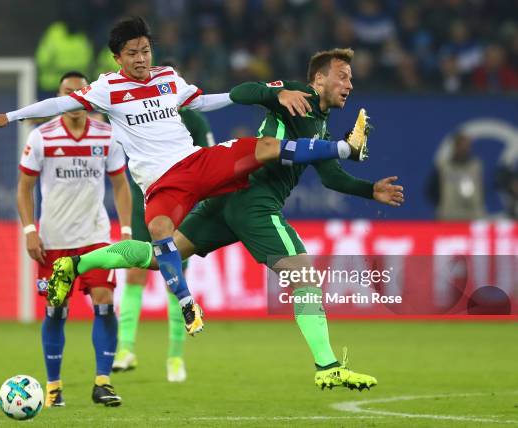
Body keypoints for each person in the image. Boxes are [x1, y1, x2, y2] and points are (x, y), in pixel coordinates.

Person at [0, 16, 368, 337]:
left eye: (145, 51)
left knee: (265, 146)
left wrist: (269, 93)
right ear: (118, 57)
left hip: (196, 163)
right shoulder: (106, 88)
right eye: (132, 53)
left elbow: (204, 100)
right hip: (162, 182)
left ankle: (345, 148)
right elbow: (61, 102)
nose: (141, 59)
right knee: (160, 234)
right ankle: (186, 303)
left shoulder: (167, 77)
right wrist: (12, 116)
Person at [49, 49, 402, 391]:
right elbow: (244, 91)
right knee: (305, 278)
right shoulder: (299, 95)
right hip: (255, 201)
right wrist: (274, 93)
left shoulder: (319, 125)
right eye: (342, 76)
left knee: (158, 257)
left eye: (351, 79)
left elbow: (330, 177)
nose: (349, 85)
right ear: (320, 78)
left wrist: (370, 190)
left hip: (225, 200)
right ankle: (328, 367)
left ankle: (75, 263)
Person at [16, 71, 131, 407]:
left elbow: (121, 186)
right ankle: (53, 388)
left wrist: (124, 232)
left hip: (95, 237)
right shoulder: (41, 137)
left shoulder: (107, 135)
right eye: (67, 93)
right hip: (52, 241)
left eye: (80, 93)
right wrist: (29, 230)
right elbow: (24, 189)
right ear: (58, 97)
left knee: (104, 302)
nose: (74, 99)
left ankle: (103, 383)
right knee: (56, 310)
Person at [113, 60, 215, 381]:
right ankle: (125, 349)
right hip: (143, 199)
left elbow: (210, 158)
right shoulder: (136, 109)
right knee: (134, 275)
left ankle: (175, 358)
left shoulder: (194, 121)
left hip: (176, 205)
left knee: (176, 281)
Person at [427, 132, 486, 220]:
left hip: (473, 216)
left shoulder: (476, 167)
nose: (464, 149)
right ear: (455, 146)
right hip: (449, 217)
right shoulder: (444, 167)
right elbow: (431, 190)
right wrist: (443, 205)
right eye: (461, 146)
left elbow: (481, 190)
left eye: (467, 146)